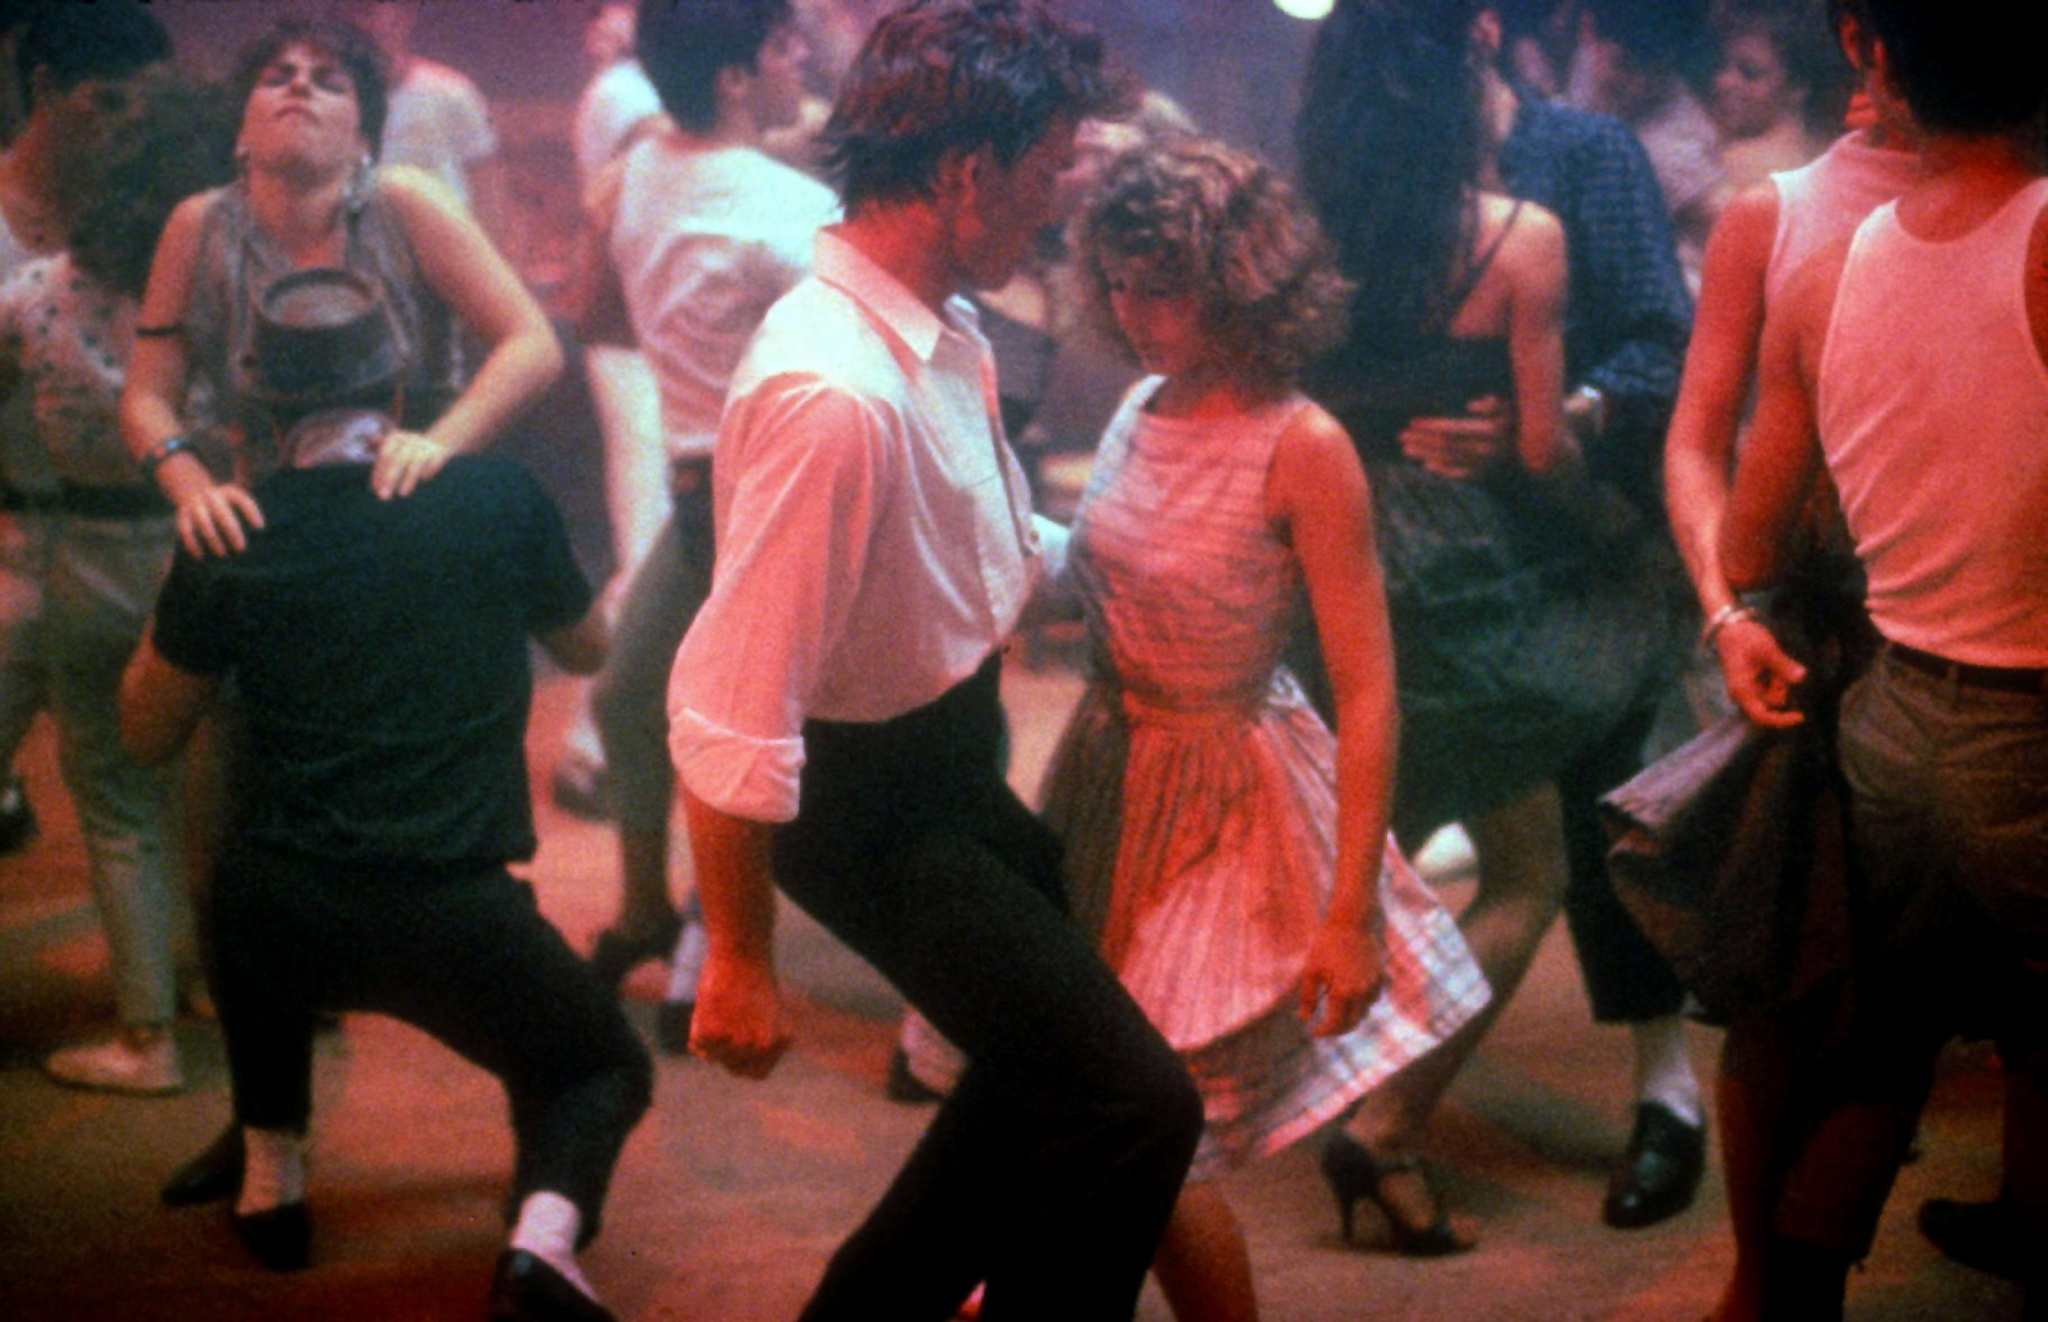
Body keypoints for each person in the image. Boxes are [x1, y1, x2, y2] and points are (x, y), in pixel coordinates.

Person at [671, 3, 1203, 1316]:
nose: (1059, 209)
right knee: (1136, 1103)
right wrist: (736, 954)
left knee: (1041, 1082)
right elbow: (733, 700)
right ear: (966, 174)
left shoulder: (937, 331)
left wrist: (1170, 557)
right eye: (1048, 172)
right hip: (871, 807)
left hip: (943, 763)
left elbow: (988, 543)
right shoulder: (834, 395)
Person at [118, 278, 649, 1317]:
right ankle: (540, 1243)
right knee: (599, 1067)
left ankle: (273, 1185)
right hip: (456, 915)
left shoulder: (234, 532)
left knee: (247, 901)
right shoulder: (496, 497)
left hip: (281, 909)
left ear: (255, 418)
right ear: (398, 392)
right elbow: (588, 648)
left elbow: (144, 732)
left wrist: (195, 555)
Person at [125, 14, 563, 1210]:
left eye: (327, 79)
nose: (300, 90)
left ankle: (528, 1098)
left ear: (365, 124)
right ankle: (264, 1122)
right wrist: (187, 482)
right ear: (241, 117)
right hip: (260, 534)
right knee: (224, 839)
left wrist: (444, 440)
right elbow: (150, 388)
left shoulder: (406, 201)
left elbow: (528, 343)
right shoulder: (199, 225)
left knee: (392, 794)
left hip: (392, 517)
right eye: (278, 75)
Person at [1047, 137, 1489, 1320]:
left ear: (1241, 282)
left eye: (1162, 286)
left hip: (1226, 802)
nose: (1132, 313)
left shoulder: (1303, 445)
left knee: (1146, 1121)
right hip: (1104, 778)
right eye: (1117, 283)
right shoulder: (1138, 405)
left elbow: (1370, 690)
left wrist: (1350, 912)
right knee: (1116, 1119)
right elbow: (1090, 573)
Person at [1295, 0, 1687, 1251]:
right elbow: (1535, 456)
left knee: (1374, 844)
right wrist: (1606, 522)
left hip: (1338, 568)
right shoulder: (1517, 234)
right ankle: (1386, 1123)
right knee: (1528, 872)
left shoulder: (1305, 234)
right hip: (1469, 582)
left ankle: (1333, 1085)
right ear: (1466, 62)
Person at [1721, 0, 2048, 1313]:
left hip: (1890, 718)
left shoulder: (1826, 271)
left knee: (1883, 1041)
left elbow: (1748, 536)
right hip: (2029, 724)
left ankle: (1789, 1297)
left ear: (1886, 62)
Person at [1660, 4, 1917, 1313]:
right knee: (1776, 984)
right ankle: (1765, 1280)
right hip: (1807, 636)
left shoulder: (2025, 205)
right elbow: (1697, 440)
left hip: (1959, 647)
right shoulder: (1777, 212)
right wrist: (1726, 611)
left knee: (1916, 1005)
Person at [584, 0, 837, 1050]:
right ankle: (654, 912)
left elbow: (594, 310)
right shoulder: (788, 207)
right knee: (636, 698)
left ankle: (709, 931)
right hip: (715, 493)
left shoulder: (643, 165)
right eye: (783, 43)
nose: (801, 56)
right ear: (736, 76)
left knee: (724, 722)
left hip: (754, 495)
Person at [8, 71, 232, 1098]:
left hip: (91, 553)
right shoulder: (214, 301)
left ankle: (146, 1035)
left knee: (115, 802)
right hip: (210, 547)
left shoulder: (33, 297)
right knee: (210, 790)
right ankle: (209, 980)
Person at [0, 2, 172, 865]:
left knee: (131, 791)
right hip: (12, 530)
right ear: (44, 89)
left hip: (125, 533)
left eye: (143, 107)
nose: (125, 127)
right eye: (106, 101)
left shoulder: (142, 217)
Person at [1569, 0, 1729, 292]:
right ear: (1587, 33)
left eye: (1654, 71)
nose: (1638, 86)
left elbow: (1738, 224)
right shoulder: (1583, 59)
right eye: (1625, 65)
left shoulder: (1672, 149)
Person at [350, 2, 504, 232]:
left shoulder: (452, 93)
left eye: (366, 11)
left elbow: (488, 193)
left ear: (403, 17)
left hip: (446, 244)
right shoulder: (330, 100)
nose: (358, 25)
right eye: (349, 11)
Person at [1709, 0, 1854, 192]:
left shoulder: (1741, 165)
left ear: (1798, 87)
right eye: (1721, 64)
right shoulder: (1838, 151)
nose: (1723, 82)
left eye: (1750, 73)